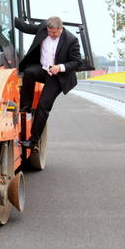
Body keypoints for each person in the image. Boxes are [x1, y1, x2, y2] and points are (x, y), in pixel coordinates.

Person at [14, 16, 81, 150]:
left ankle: (33, 141)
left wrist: (60, 67)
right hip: (43, 69)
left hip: (57, 76)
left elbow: (77, 62)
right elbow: (25, 27)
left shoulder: (71, 40)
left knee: (43, 107)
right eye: (49, 32)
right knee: (29, 72)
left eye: (54, 33)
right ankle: (25, 106)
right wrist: (8, 15)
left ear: (61, 29)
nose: (51, 34)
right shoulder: (43, 28)